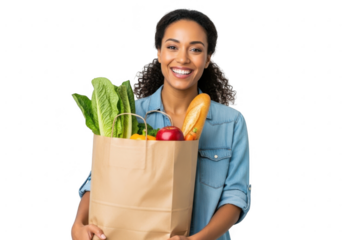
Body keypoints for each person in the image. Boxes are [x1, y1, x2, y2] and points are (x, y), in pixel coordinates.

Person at [70, 8, 251, 240]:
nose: (183, 58)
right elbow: (100, 178)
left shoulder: (231, 123)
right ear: (158, 52)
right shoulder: (130, 115)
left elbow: (235, 196)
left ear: (208, 59)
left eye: (195, 49)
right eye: (172, 47)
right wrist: (78, 224)